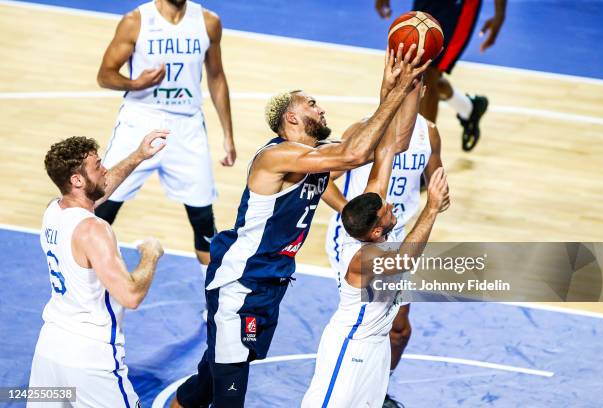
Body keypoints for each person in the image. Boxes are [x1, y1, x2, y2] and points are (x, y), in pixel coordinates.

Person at [170, 45, 430, 408]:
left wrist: (398, 89)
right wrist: (397, 89)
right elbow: (353, 154)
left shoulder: (315, 159)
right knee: (230, 396)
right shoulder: (275, 156)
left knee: (208, 382)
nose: (321, 108)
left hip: (269, 287)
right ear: (290, 118)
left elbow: (391, 145)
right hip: (238, 285)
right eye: (311, 103)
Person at [301, 87, 450, 406]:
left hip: (376, 343)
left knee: (397, 329)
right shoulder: (365, 255)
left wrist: (404, 82)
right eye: (385, 209)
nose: (390, 205)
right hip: (352, 343)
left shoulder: (425, 137)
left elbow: (388, 154)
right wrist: (431, 208)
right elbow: (404, 259)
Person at [95, 0, 236, 278]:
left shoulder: (208, 22)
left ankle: (212, 301)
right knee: (102, 206)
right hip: (140, 120)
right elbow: (105, 75)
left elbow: (217, 76)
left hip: (186, 126)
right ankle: (85, 286)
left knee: (203, 221)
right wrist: (136, 84)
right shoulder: (136, 21)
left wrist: (228, 135)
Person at [29, 131, 167, 407]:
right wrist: (150, 255)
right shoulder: (94, 230)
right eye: (98, 165)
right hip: (90, 357)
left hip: (50, 349)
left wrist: (139, 155)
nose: (104, 169)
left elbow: (100, 190)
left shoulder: (53, 210)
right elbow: (131, 296)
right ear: (77, 180)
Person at [376, 0, 507, 151]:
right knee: (416, 69)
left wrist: (500, 13)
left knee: (428, 73)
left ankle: (424, 156)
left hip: (459, 5)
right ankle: (468, 108)